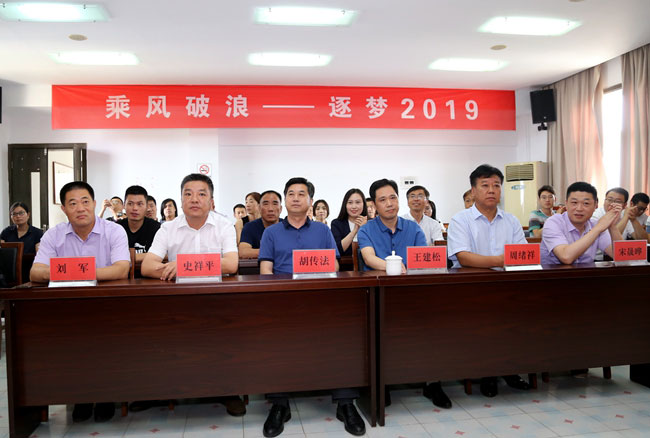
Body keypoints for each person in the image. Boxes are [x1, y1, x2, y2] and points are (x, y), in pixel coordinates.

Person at [259, 178, 363, 437]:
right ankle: (280, 404)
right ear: (285, 200)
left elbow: (336, 266)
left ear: (310, 201)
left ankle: (345, 403)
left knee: (344, 335)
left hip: (321, 299)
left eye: (301, 194)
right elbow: (265, 270)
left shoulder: (322, 231)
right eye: (291, 194)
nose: (296, 198)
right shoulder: (271, 232)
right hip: (283, 302)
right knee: (273, 339)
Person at [140, 174, 244, 416]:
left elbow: (231, 264)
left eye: (201, 194)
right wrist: (176, 269)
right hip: (178, 301)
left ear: (211, 200)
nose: (194, 199)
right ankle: (165, 391)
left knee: (224, 345)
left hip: (217, 301)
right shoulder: (168, 228)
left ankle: (228, 391)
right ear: (181, 199)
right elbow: (147, 266)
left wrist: (183, 265)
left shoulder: (224, 226)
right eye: (188, 194)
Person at [30, 181, 130, 423]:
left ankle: (106, 397)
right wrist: (74, 273)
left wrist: (72, 272)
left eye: (85, 202)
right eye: (73, 203)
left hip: (108, 306)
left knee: (106, 341)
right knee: (69, 343)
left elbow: (121, 269)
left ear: (94, 204)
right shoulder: (53, 235)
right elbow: (35, 272)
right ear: (64, 209)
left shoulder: (114, 231)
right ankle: (80, 396)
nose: (80, 208)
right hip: (68, 308)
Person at [357, 179, 451, 409]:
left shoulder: (413, 228)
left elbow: (422, 259)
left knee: (436, 323)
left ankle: (432, 382)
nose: (389, 203)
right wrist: (394, 267)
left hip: (411, 294)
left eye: (393, 198)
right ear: (374, 205)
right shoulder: (367, 229)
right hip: (378, 296)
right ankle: (382, 383)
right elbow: (369, 258)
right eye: (382, 200)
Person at [447, 164, 529, 397]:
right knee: (483, 324)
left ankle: (510, 369)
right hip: (473, 289)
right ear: (473, 191)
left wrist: (506, 262)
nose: (492, 190)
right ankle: (487, 374)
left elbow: (522, 254)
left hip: (509, 287)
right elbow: (463, 257)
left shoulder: (511, 220)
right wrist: (501, 260)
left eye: (496, 185)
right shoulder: (460, 220)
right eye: (485, 185)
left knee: (517, 323)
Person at [541, 182, 624, 264]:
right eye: (574, 203)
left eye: (586, 203)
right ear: (566, 204)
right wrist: (597, 229)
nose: (579, 209)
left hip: (585, 272)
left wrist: (612, 226)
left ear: (595, 206)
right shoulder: (553, 222)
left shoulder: (595, 224)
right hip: (554, 272)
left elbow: (621, 256)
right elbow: (566, 257)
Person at [116, 186, 161, 263]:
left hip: (148, 270)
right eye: (130, 204)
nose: (135, 208)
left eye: (140, 204)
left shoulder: (156, 228)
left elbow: (163, 254)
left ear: (146, 206)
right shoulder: (117, 228)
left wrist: (129, 257)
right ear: (124, 206)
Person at [239, 190, 282, 259]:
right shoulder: (250, 227)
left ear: (280, 209)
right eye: (266, 204)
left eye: (274, 204)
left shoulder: (287, 226)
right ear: (259, 208)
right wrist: (278, 252)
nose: (270, 209)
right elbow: (243, 252)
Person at [330, 189, 368, 257]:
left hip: (370, 263)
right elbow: (337, 250)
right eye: (350, 202)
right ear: (345, 204)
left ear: (364, 204)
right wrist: (355, 231)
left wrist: (365, 228)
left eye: (358, 202)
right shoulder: (336, 224)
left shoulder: (371, 223)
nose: (354, 206)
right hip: (345, 263)